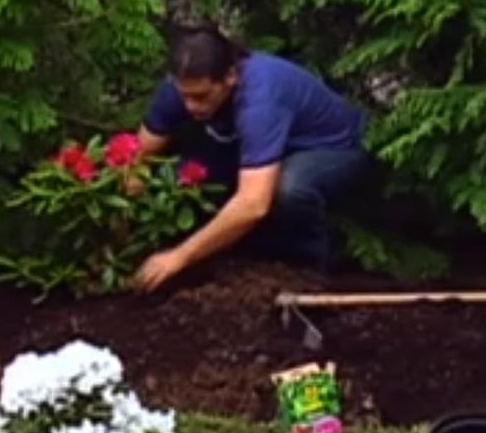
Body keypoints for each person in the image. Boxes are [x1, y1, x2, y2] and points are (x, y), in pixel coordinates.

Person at [130, 25, 372, 292]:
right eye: (183, 96)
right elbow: (137, 156)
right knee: (187, 174)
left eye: (201, 97)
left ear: (230, 76)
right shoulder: (184, 85)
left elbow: (253, 204)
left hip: (333, 148)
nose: (190, 106)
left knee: (289, 189)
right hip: (268, 146)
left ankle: (307, 269)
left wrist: (179, 257)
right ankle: (239, 252)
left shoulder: (260, 99)